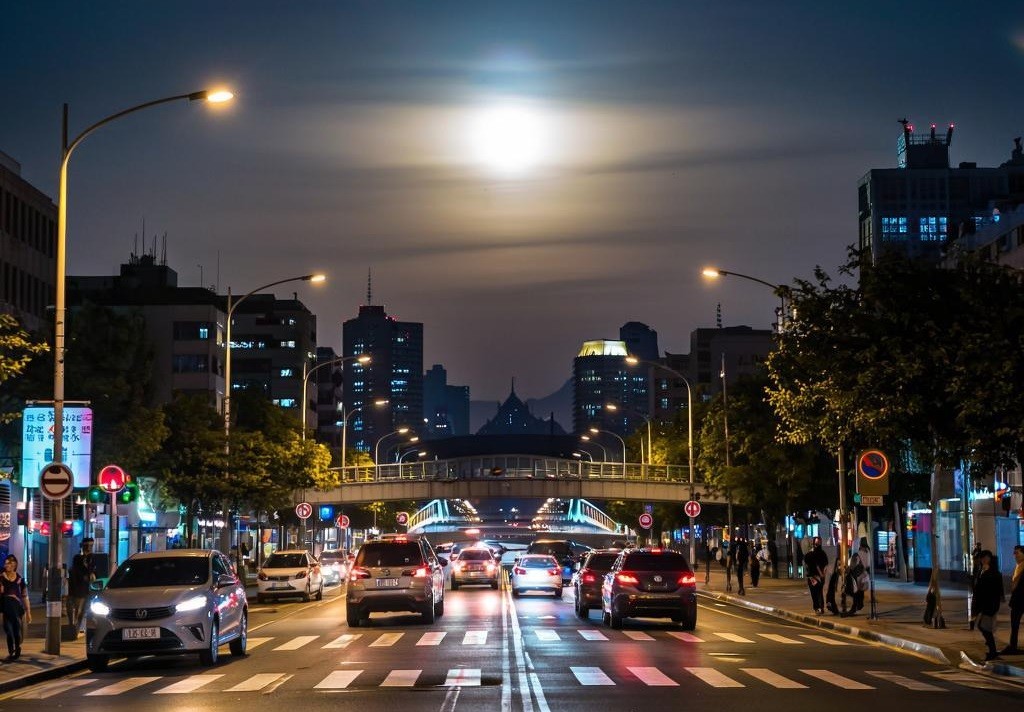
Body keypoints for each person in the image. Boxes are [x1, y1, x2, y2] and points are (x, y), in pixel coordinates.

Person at [972, 549, 1004, 661]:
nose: (984, 560)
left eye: (986, 558)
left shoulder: (993, 573)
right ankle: (992, 649)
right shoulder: (981, 570)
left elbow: (995, 589)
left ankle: (992, 651)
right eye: (982, 558)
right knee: (983, 626)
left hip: (989, 604)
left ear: (990, 559)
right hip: (983, 604)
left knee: (984, 627)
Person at [0, 555, 30, 661]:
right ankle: (12, 651)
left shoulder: (19, 579)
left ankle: (15, 650)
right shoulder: (1, 577)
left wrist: (28, 612)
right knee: (9, 630)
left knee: (15, 629)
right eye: (6, 563)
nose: (6, 565)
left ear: (14, 565)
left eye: (9, 563)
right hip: (5, 607)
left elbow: (25, 596)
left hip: (16, 608)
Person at [68, 537, 97, 633]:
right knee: (78, 610)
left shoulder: (93, 558)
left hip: (89, 589)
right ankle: (75, 628)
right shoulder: (77, 558)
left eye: (90, 545)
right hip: (78, 589)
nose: (89, 548)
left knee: (85, 610)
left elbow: (94, 572)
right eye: (86, 545)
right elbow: (77, 573)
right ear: (82, 546)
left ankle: (79, 628)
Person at [1001, 545, 1024, 655]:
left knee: (1015, 624)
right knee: (1014, 625)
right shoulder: (1018, 566)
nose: (1014, 555)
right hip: (1017, 601)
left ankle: (1013, 646)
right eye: (1014, 553)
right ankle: (1012, 646)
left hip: (1021, 600)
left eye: (1017, 553)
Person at [804, 536, 828, 615]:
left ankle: (818, 608)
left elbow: (808, 563)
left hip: (813, 576)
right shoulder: (822, 553)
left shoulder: (811, 554)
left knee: (815, 593)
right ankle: (820, 607)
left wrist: (822, 574)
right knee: (818, 592)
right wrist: (823, 574)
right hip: (816, 577)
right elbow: (825, 565)